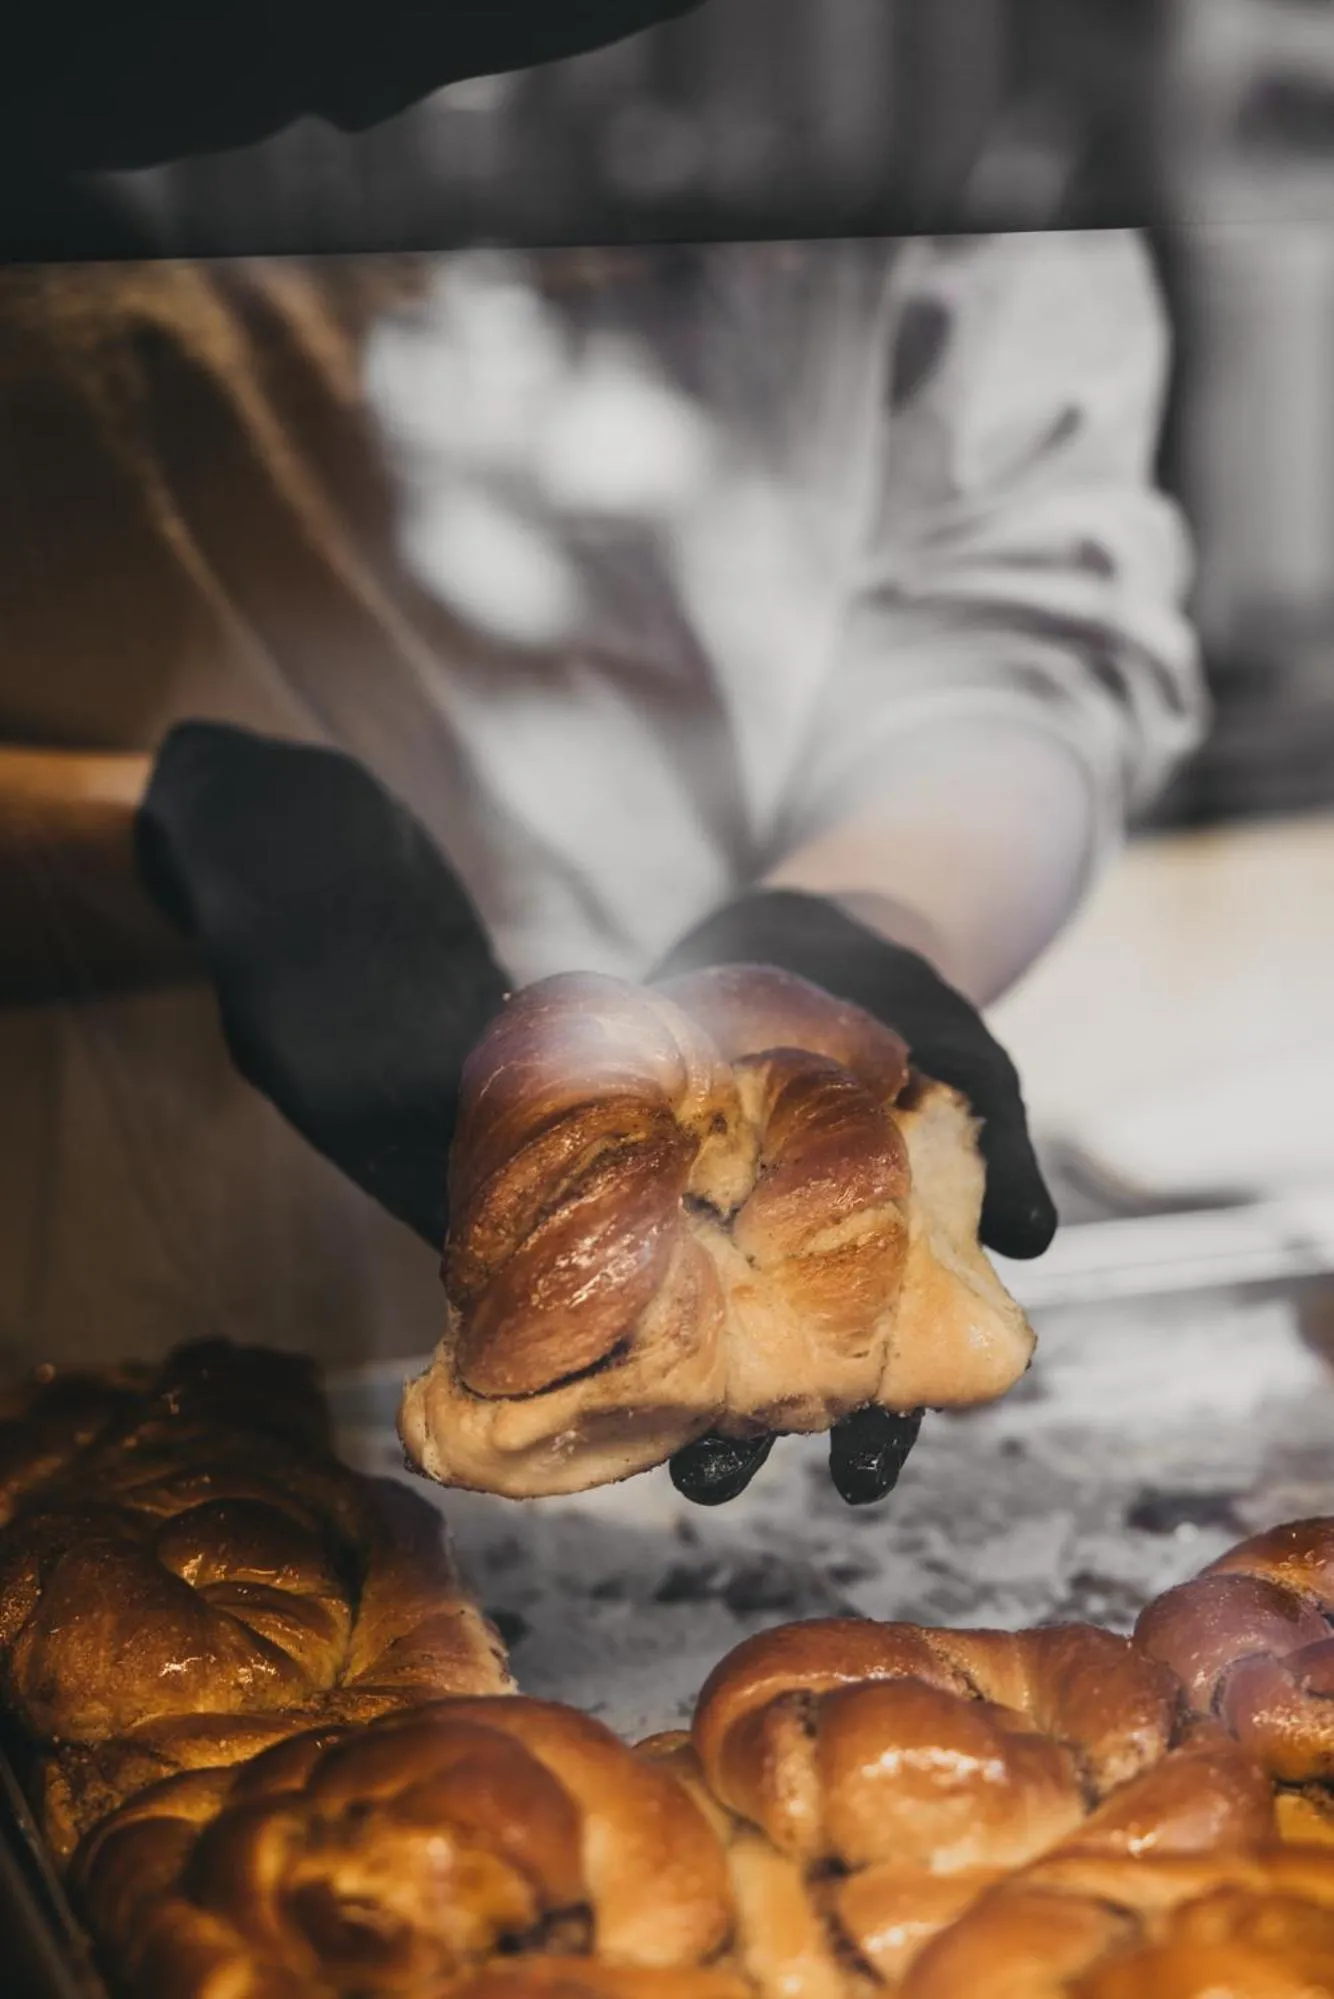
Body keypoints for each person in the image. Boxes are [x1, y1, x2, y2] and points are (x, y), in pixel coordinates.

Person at [0, 228, 1207, 1502]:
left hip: (767, 1147)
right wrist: (140, 834)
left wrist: (876, 905)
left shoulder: (904, 94)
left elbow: (1008, 604)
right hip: (95, 1238)